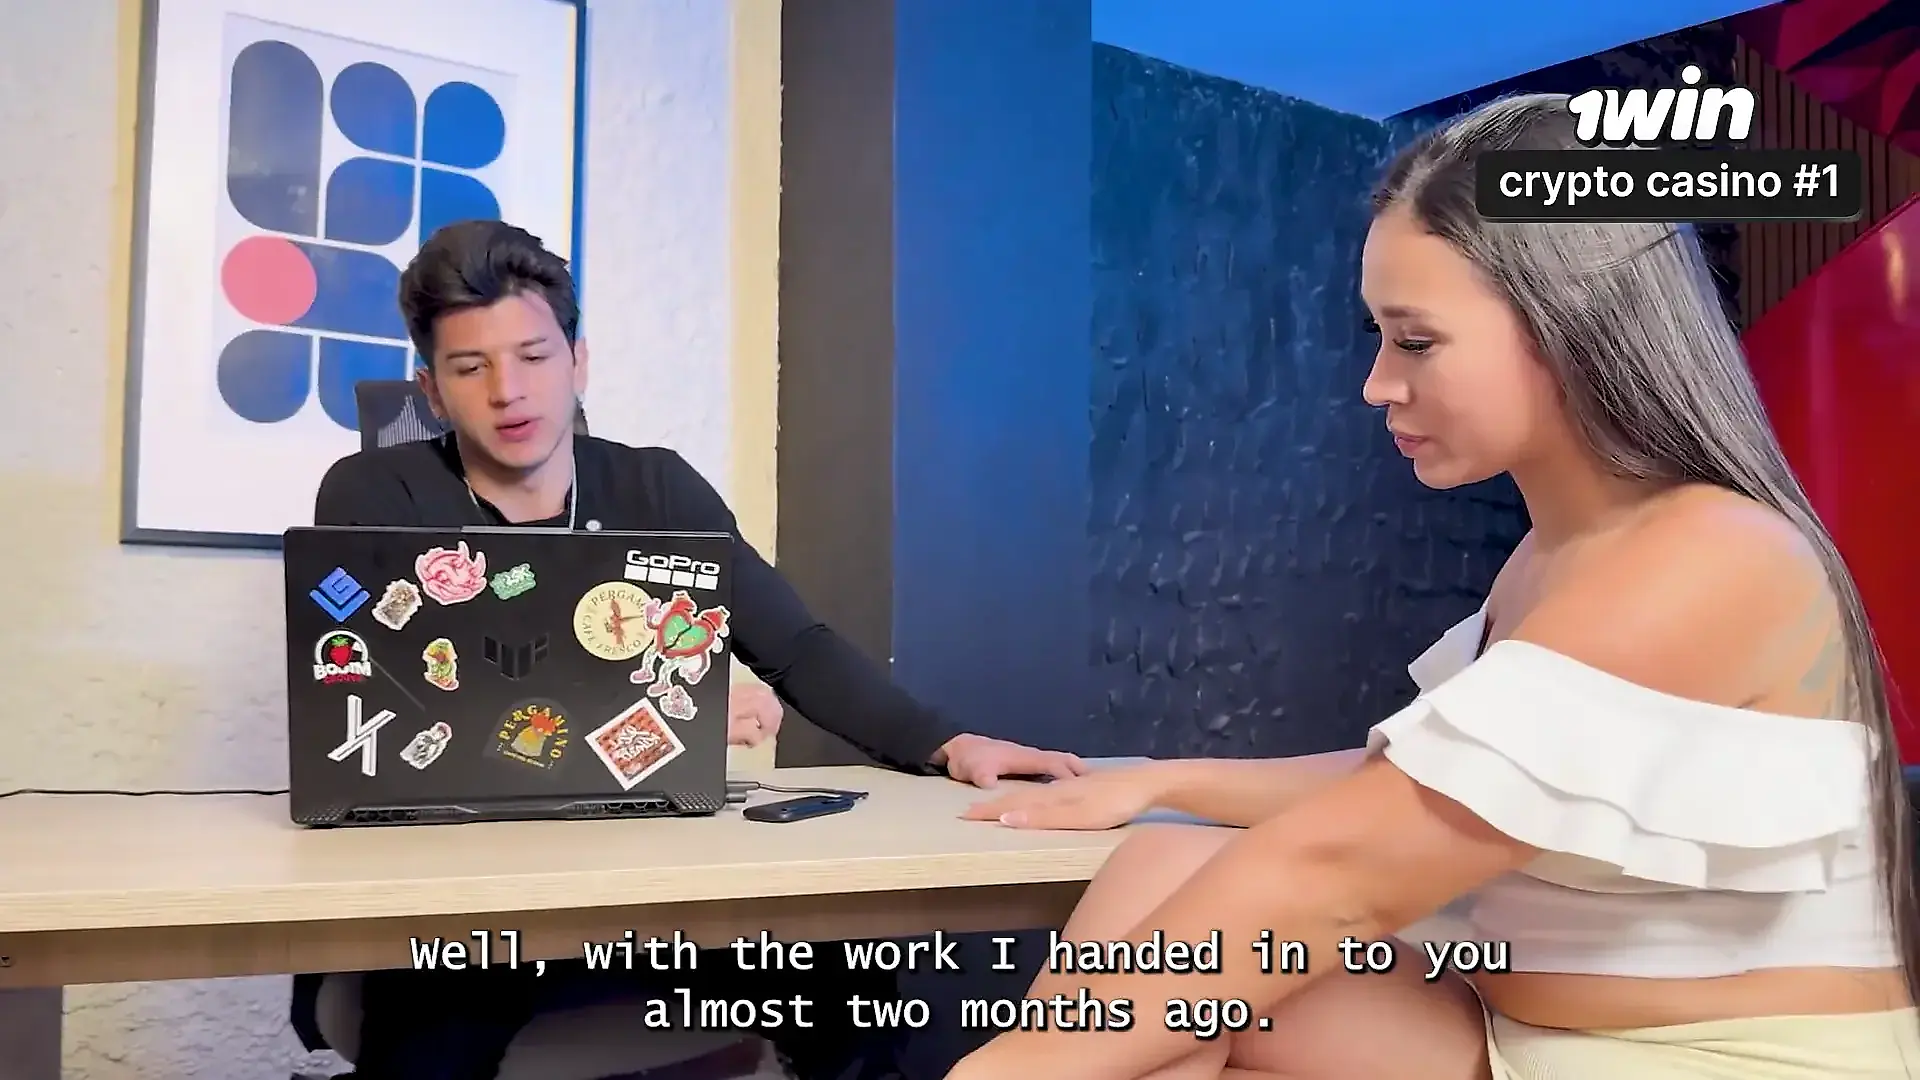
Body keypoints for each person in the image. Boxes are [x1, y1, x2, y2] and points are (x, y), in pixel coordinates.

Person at [946, 94, 1920, 1079]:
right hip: (1519, 1037)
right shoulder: (1554, 556)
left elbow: (1340, 875)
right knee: (1166, 866)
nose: (1376, 383)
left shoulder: (1713, 558)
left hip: (1722, 1062)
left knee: (1165, 1001)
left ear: (1572, 324)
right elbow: (1419, 787)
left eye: (1414, 341)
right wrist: (1161, 781)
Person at [312, 218, 1087, 1080]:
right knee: (431, 1043)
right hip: (466, 905)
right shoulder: (375, 494)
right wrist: (676, 723)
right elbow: (392, 712)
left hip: (653, 891)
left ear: (578, 362)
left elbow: (796, 647)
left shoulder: (655, 486)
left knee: (849, 978)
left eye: (533, 356)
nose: (509, 390)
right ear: (430, 390)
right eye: (471, 367)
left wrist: (948, 743)